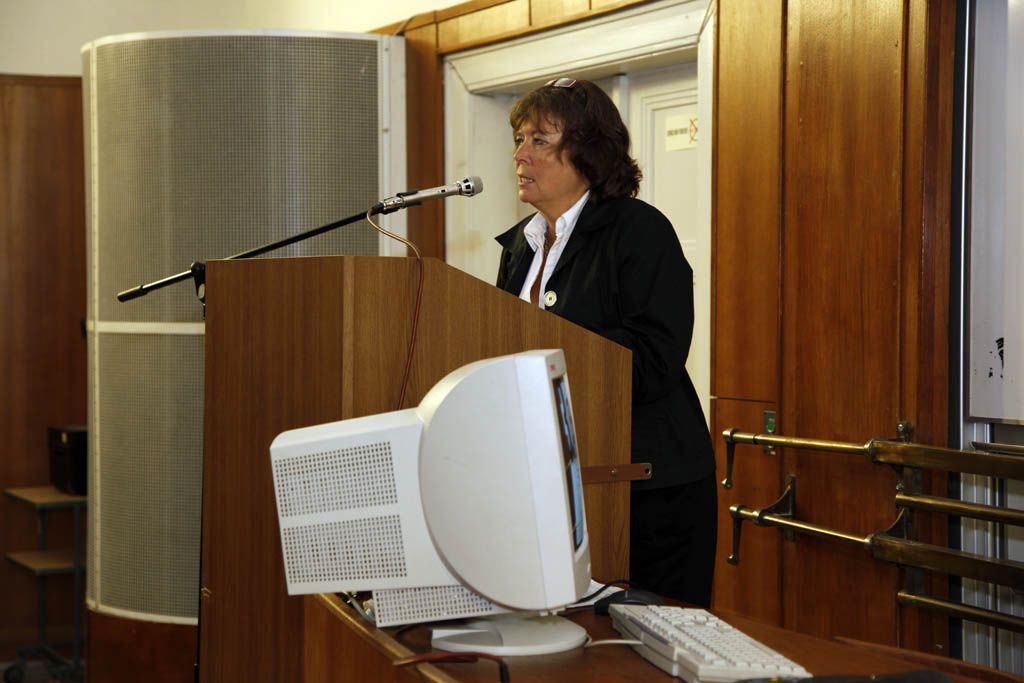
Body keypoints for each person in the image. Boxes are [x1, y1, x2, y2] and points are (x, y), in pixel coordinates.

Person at [494, 77, 717, 607]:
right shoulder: (521, 245)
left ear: (588, 152)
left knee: (650, 636)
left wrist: (550, 350)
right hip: (555, 484)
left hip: (646, 490)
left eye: (539, 141)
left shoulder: (639, 231)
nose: (520, 155)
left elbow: (653, 360)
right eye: (519, 140)